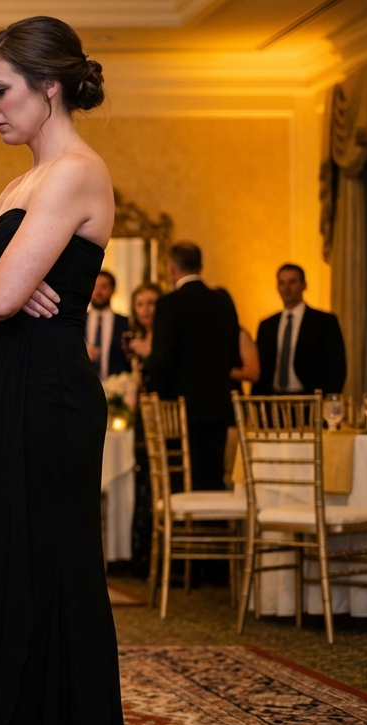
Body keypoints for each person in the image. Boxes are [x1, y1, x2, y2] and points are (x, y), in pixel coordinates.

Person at [0, 16, 125, 725]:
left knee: (48, 570)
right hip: (2, 386)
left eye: (0, 89)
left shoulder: (78, 172)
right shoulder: (17, 183)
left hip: (48, 393)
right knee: (0, 567)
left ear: (49, 87)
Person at [143, 241, 242, 491]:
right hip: (217, 407)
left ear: (172, 270)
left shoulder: (169, 304)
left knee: (182, 483)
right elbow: (233, 356)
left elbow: (162, 358)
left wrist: (150, 385)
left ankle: (182, 527)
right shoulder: (223, 303)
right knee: (211, 479)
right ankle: (214, 526)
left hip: (178, 410)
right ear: (201, 265)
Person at [253, 263, 346, 396]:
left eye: (292, 282)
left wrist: (328, 399)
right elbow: (261, 368)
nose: (286, 288)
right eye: (282, 283)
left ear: (304, 285)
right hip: (273, 400)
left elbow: (337, 367)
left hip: (310, 399)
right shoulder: (267, 325)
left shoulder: (324, 322)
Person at [124, 282, 162, 579]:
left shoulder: (164, 339)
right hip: (139, 418)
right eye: (141, 304)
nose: (147, 309)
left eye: (152, 303)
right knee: (140, 479)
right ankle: (138, 551)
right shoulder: (133, 339)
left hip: (163, 416)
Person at [86, 270, 130, 378]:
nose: (98, 291)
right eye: (94, 286)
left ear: (113, 290)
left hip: (116, 386)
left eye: (104, 287)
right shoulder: (78, 320)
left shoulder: (125, 322)